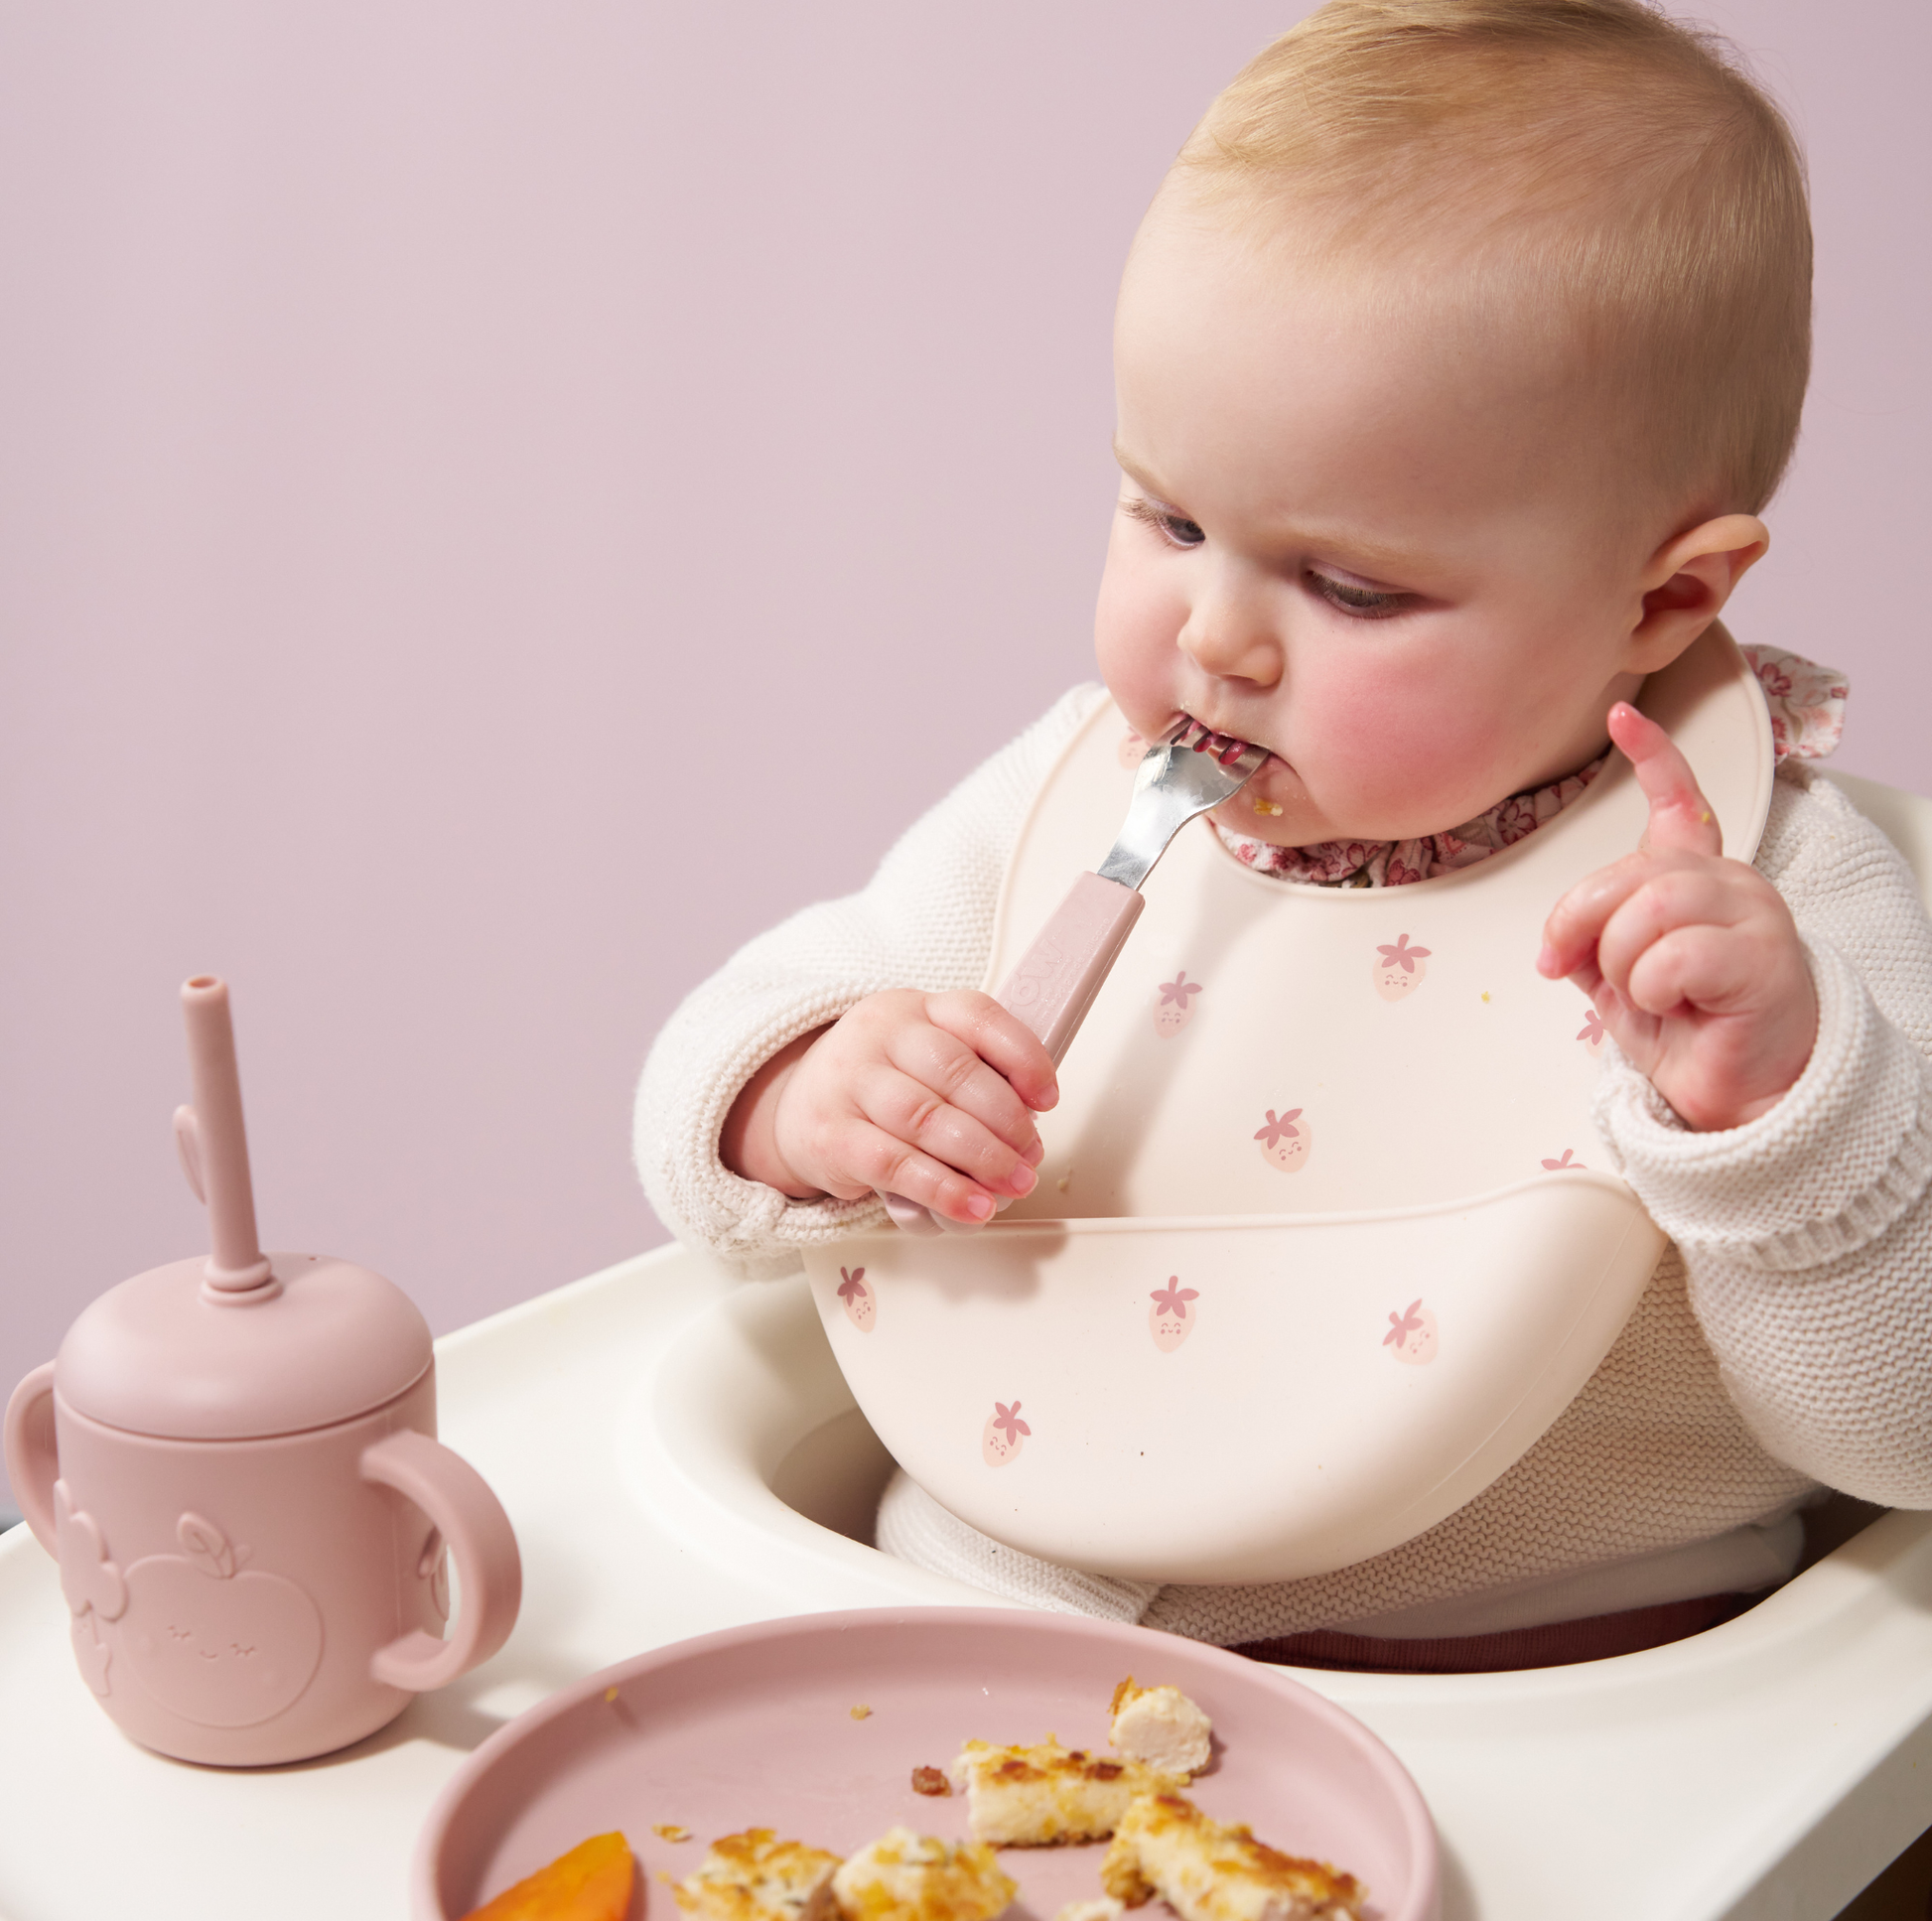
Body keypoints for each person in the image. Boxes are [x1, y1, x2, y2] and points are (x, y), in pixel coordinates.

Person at [635, 0, 1932, 1669]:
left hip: (1512, 1685)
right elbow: (706, 1080)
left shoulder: (1769, 918)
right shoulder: (1073, 796)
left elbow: (1898, 1436)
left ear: (1661, 599)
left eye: (1350, 587)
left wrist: (1785, 1115)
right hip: (970, 1608)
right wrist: (804, 1092)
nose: (1215, 636)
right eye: (1168, 517)